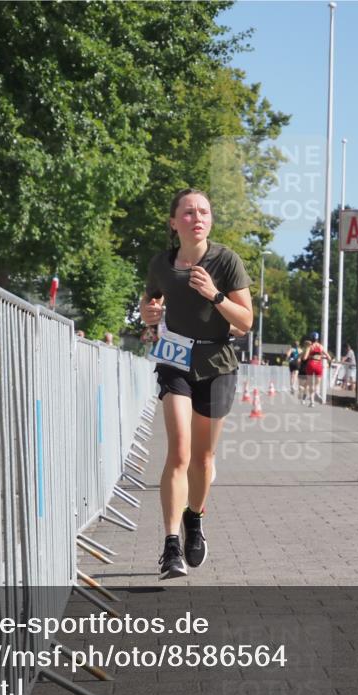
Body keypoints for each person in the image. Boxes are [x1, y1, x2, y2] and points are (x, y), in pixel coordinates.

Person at [140, 189, 253, 579]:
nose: (197, 217)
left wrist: (214, 294)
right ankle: (171, 546)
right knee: (180, 453)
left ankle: (194, 517)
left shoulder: (226, 261)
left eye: (203, 211)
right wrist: (149, 313)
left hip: (217, 362)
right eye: (188, 212)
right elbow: (149, 305)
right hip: (175, 361)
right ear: (174, 222)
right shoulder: (162, 263)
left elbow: (246, 320)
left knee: (204, 460)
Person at [302, 332, 332, 407]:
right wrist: (321, 357)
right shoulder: (321, 347)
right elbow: (329, 357)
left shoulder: (310, 347)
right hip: (318, 365)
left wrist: (309, 355)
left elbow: (305, 358)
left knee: (310, 383)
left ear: (311, 338)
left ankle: (312, 402)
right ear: (317, 338)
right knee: (316, 384)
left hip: (311, 364)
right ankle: (317, 393)